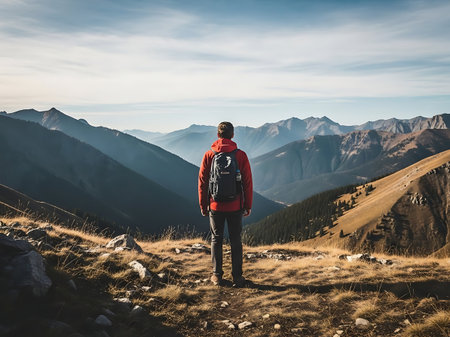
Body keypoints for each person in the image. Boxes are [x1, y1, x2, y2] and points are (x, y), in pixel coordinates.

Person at [198, 121, 253, 287]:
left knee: (216, 239)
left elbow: (202, 181)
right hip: (235, 206)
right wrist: (247, 205)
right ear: (233, 135)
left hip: (215, 206)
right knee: (236, 240)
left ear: (218, 135)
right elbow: (247, 182)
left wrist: (203, 204)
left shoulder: (209, 155)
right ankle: (237, 277)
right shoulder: (240, 155)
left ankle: (217, 275)